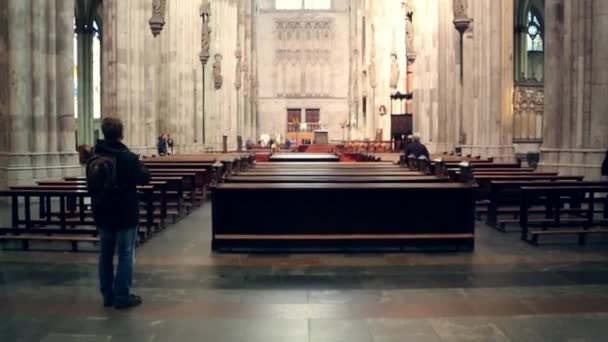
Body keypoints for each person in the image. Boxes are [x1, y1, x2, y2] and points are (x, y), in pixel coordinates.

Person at [87, 117, 151, 309]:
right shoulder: (127, 157)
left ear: (104, 132)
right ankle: (122, 296)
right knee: (125, 254)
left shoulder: (94, 157)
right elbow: (145, 178)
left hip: (103, 213)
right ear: (121, 133)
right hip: (124, 214)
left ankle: (107, 295)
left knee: (105, 255)